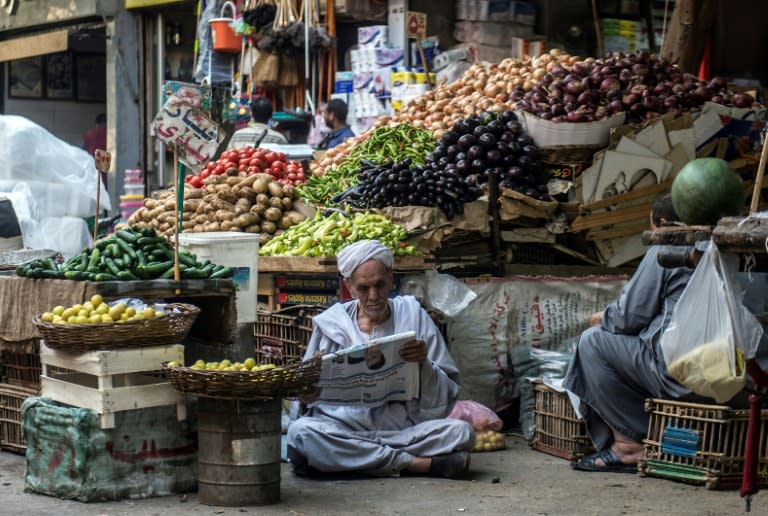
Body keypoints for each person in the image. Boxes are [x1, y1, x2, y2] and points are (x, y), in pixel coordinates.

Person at [287, 240, 475, 478]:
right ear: (350, 287)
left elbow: (445, 394)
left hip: (401, 429)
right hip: (342, 427)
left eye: (380, 285)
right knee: (301, 432)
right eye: (364, 289)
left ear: (391, 277)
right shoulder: (330, 323)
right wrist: (306, 397)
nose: (374, 296)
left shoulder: (414, 315)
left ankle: (352, 458)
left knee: (461, 432)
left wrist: (423, 364)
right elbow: (302, 395)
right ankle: (415, 463)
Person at [565, 194, 709, 473]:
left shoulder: (670, 244)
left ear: (663, 224)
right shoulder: (735, 246)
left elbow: (627, 317)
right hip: (739, 377)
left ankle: (628, 445)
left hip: (680, 376)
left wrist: (601, 317)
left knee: (592, 342)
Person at [83, 113, 107, 186]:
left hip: (93, 174)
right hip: (109, 174)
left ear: (96, 124)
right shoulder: (111, 133)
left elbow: (82, 153)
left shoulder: (88, 135)